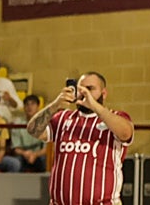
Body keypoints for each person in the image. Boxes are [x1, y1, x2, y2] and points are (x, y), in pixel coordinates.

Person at [26, 72, 134, 205]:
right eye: (81, 89)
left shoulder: (115, 117)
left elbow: (126, 133)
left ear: (104, 93)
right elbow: (33, 130)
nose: (84, 93)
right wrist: (55, 105)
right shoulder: (63, 118)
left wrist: (94, 106)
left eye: (90, 89)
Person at [12, 95, 48, 172]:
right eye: (27, 104)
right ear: (24, 107)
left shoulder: (45, 124)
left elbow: (46, 148)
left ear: (38, 107)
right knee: (15, 163)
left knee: (45, 160)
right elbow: (16, 149)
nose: (29, 107)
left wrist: (35, 154)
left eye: (32, 104)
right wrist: (25, 153)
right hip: (23, 155)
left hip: (39, 155)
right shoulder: (17, 124)